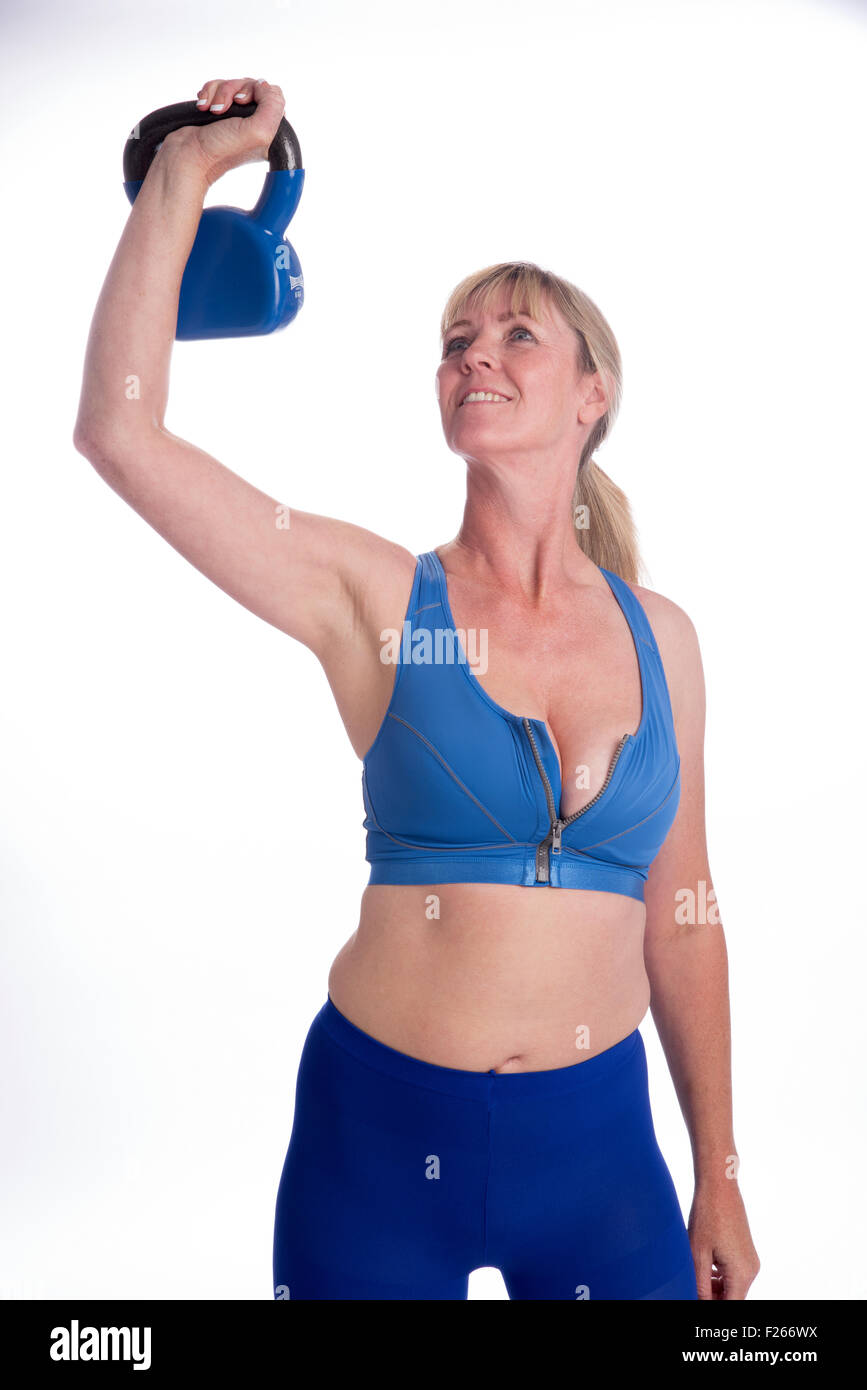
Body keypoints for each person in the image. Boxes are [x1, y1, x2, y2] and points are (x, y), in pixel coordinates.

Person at [73, 75, 760, 1302]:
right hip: (379, 1143)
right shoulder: (384, 602)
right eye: (455, 343)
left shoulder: (666, 641)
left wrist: (721, 1167)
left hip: (601, 1165)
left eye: (514, 336)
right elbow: (123, 435)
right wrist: (187, 175)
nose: (473, 358)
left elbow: (685, 911)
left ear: (594, 395)